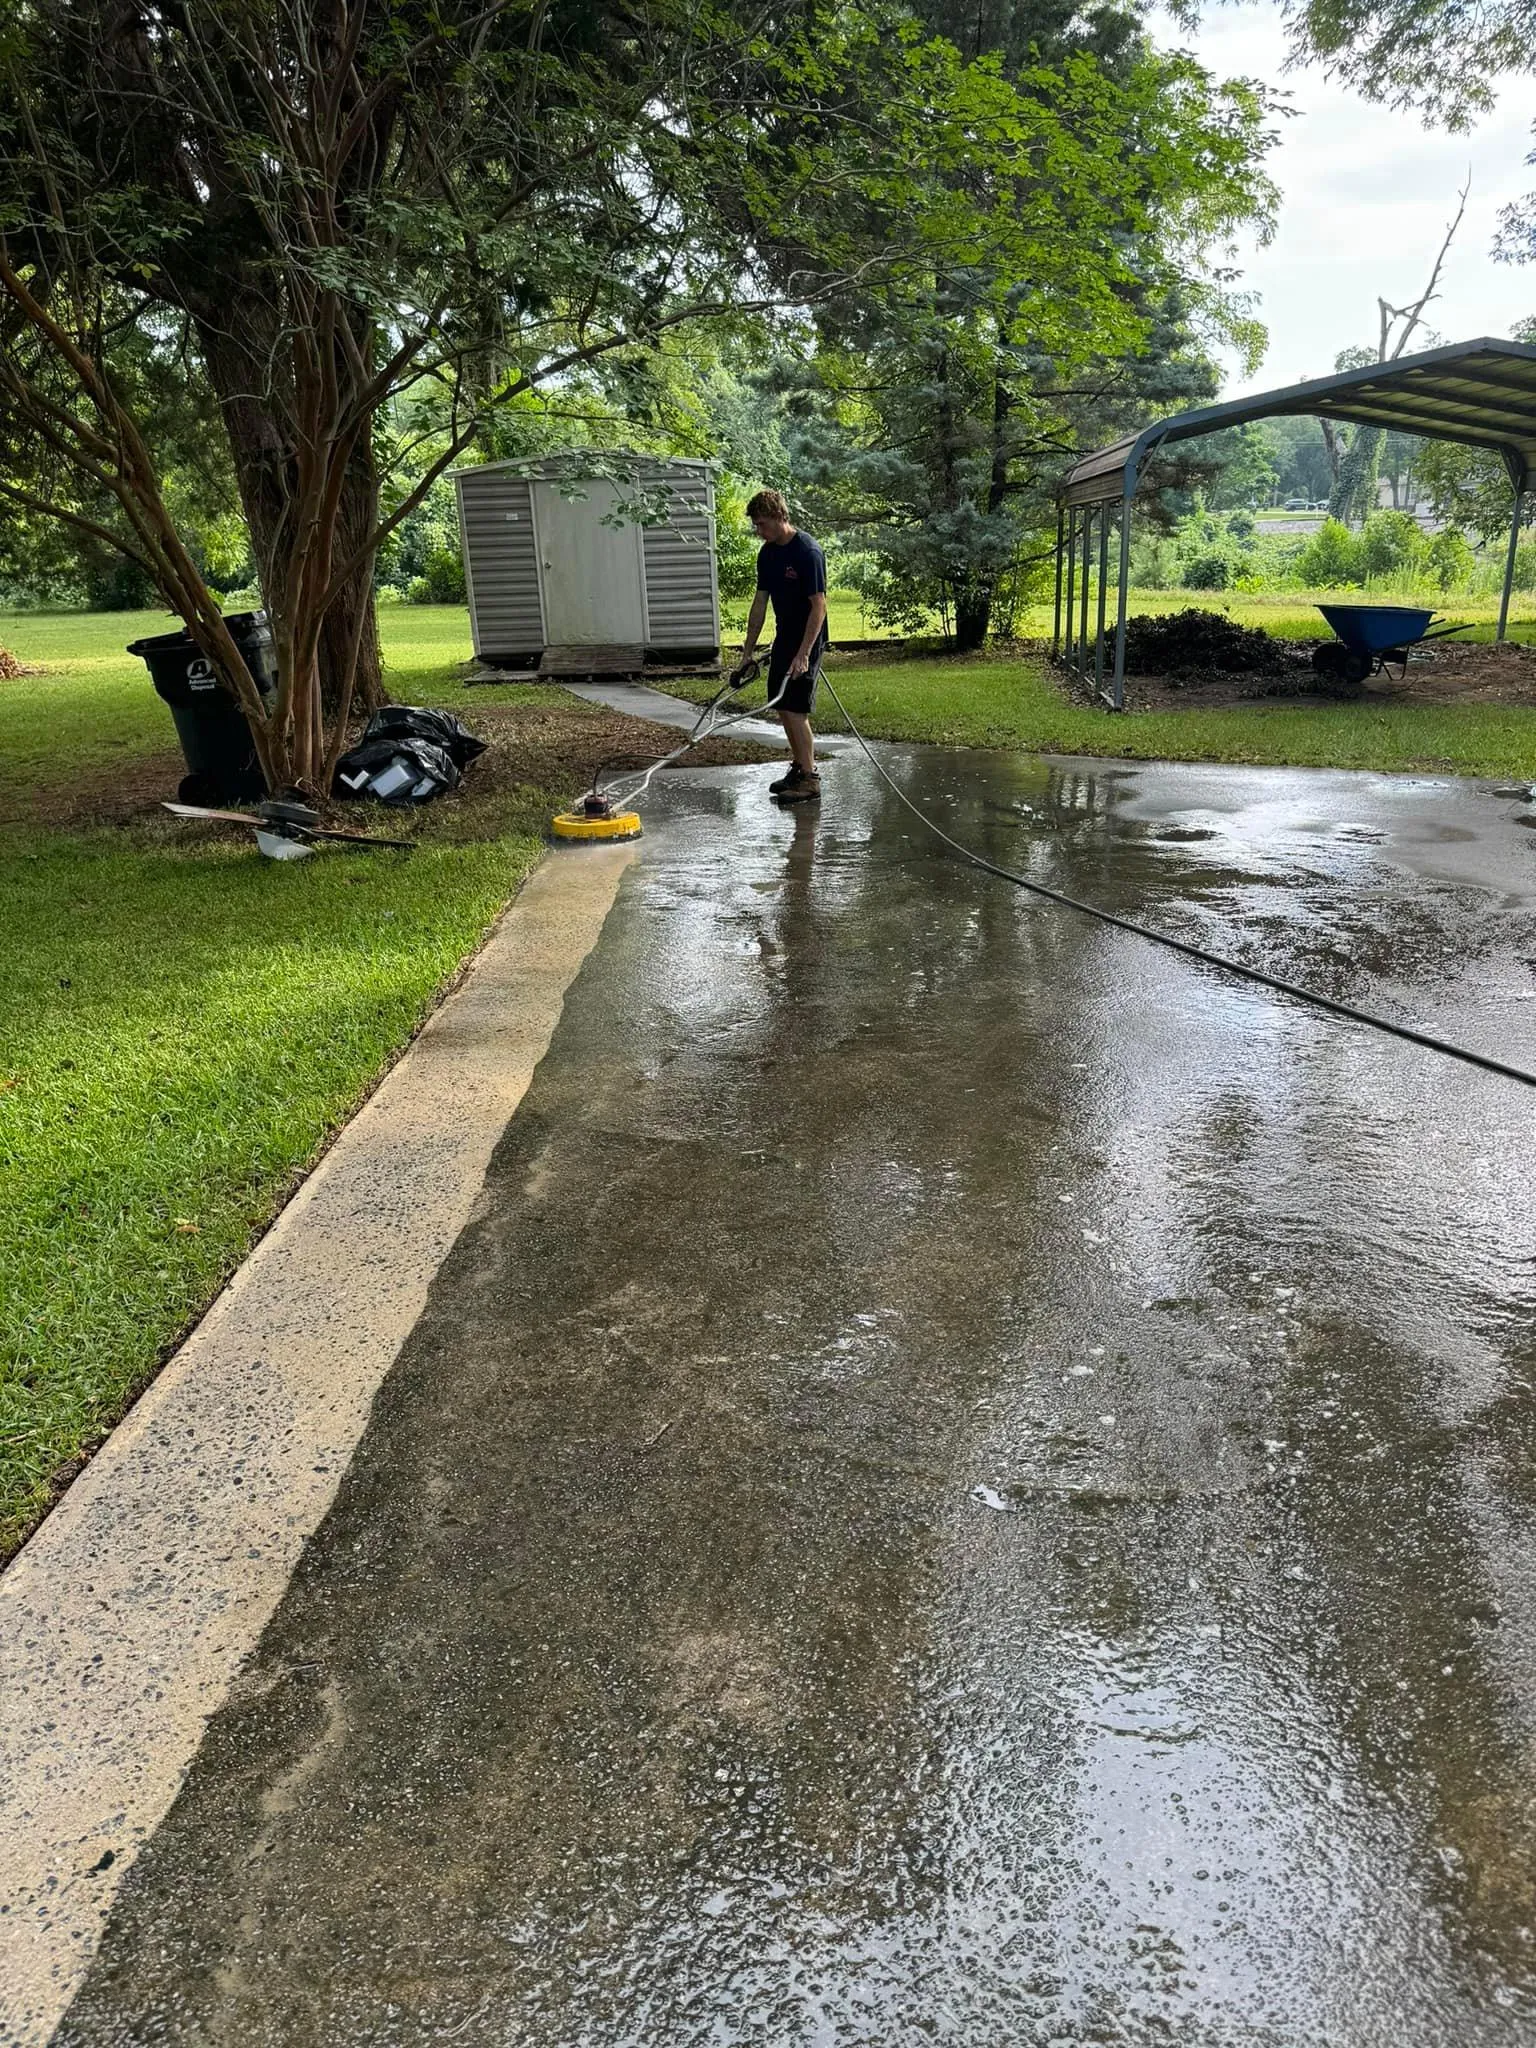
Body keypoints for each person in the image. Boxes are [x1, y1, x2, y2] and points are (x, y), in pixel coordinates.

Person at [739, 489, 829, 803]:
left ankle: (810, 779)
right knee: (782, 706)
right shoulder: (768, 554)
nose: (758, 530)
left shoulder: (808, 551)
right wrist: (747, 653)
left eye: (762, 524)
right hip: (784, 637)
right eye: (756, 525)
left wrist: (804, 654)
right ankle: (799, 767)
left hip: (809, 637)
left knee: (796, 708)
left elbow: (819, 606)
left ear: (779, 517)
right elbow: (760, 603)